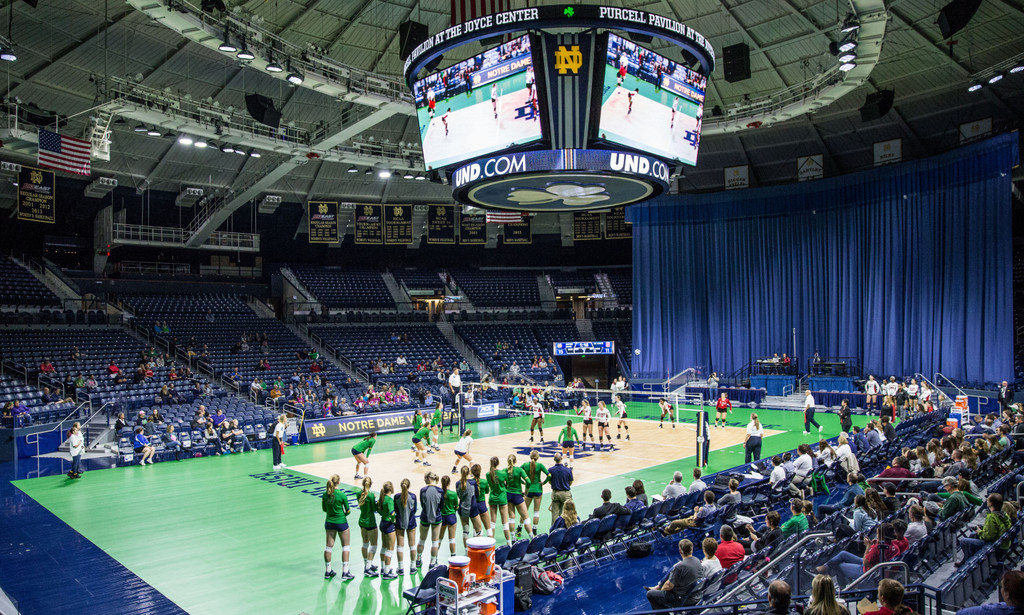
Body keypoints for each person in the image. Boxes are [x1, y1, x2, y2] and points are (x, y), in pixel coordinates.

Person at [644, 539, 703, 610]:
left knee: (650, 594)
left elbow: (668, 586)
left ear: (680, 551)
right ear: (692, 549)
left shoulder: (679, 567)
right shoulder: (697, 560)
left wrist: (661, 590)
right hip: (696, 595)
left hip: (683, 599)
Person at [955, 492, 1011, 566]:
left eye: (988, 500)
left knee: (963, 541)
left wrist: (980, 531)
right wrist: (983, 529)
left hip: (995, 545)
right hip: (1003, 543)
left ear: (991, 504)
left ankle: (966, 562)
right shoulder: (1004, 514)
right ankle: (970, 559)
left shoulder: (991, 517)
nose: (986, 501)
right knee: (972, 534)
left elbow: (989, 537)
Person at [322, 475, 354, 581]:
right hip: (341, 523)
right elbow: (348, 510)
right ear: (338, 482)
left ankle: (328, 570)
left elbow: (324, 509)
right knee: (345, 546)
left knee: (328, 547)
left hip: (329, 522)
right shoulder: (342, 495)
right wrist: (343, 514)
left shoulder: (325, 495)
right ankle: (345, 572)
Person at [956, 571, 1024, 615]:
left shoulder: (999, 610)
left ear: (1007, 594)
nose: (1001, 589)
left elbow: (961, 614)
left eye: (1002, 587)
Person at [416, 472, 443, 570]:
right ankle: (432, 562)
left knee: (421, 539)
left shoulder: (423, 490)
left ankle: (418, 560)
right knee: (435, 541)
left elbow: (422, 504)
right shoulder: (440, 491)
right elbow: (441, 505)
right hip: (436, 518)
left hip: (425, 517)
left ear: (427, 478)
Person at [505, 454, 532, 539]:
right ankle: (532, 537)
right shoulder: (519, 470)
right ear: (515, 461)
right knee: (525, 517)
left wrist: (506, 488)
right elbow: (528, 481)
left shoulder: (504, 471)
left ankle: (513, 538)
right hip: (517, 495)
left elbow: (502, 482)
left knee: (511, 517)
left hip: (508, 495)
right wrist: (526, 492)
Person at [356, 477, 379, 577]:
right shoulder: (370, 495)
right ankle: (368, 568)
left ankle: (367, 564)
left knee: (365, 544)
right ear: (371, 484)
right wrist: (375, 501)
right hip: (370, 522)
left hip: (362, 521)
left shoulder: (358, 494)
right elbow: (374, 509)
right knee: (373, 545)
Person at [484, 456, 511, 542]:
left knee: (492, 522)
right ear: (498, 463)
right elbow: (507, 483)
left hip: (492, 498)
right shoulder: (503, 473)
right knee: (505, 522)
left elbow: (489, 484)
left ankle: (491, 543)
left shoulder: (488, 474)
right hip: (502, 498)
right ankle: (509, 543)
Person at [394, 478, 418, 576]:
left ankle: (400, 568)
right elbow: (415, 510)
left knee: (400, 545)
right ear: (409, 486)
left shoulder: (396, 497)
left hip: (399, 523)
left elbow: (395, 510)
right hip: (411, 523)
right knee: (412, 545)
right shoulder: (413, 496)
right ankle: (412, 567)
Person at [522, 450, 548, 534]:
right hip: (538, 489)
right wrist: (544, 482)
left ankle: (519, 528)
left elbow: (517, 473)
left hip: (529, 490)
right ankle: (534, 530)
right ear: (538, 457)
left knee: (524, 510)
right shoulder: (540, 465)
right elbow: (549, 475)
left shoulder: (525, 465)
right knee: (536, 511)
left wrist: (523, 482)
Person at [548, 453, 574, 525]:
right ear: (561, 458)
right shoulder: (568, 470)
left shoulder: (551, 470)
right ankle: (570, 527)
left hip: (555, 493)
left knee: (555, 514)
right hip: (566, 494)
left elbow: (549, 481)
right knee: (569, 512)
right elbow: (570, 482)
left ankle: (554, 531)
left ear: (554, 459)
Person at [438, 475, 460, 559]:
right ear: (449, 483)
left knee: (439, 539)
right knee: (452, 539)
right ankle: (453, 556)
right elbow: (457, 506)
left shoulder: (439, 493)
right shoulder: (453, 494)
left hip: (441, 517)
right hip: (451, 517)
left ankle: (434, 557)